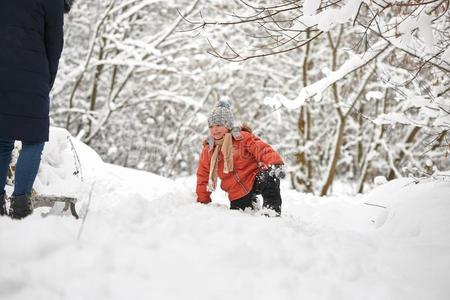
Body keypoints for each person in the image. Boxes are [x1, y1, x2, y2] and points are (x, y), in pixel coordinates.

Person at [0, 0, 74, 219]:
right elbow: (54, 45)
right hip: (32, 77)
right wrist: (46, 80)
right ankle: (20, 205)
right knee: (33, 141)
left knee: (2, 140)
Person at [196, 100, 285, 216]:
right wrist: (203, 200)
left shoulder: (241, 138)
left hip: (253, 177)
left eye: (218, 125)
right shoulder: (209, 150)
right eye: (211, 126)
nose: (214, 129)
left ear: (227, 125)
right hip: (236, 192)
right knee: (242, 216)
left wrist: (275, 163)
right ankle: (252, 205)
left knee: (269, 177)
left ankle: (271, 210)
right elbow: (203, 175)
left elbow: (262, 149)